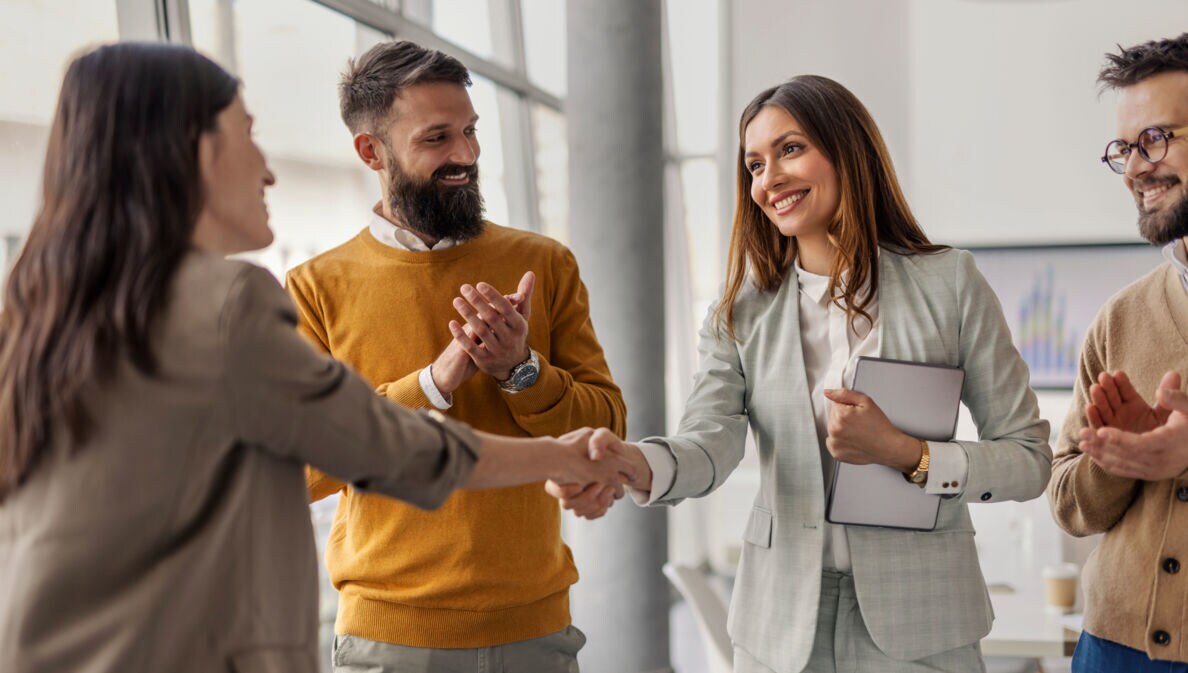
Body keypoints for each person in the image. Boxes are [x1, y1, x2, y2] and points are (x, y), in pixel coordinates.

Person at [0, 42, 633, 673]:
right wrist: (547, 446)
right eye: (247, 134)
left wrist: (523, 374)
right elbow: (375, 447)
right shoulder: (242, 300)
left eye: (469, 131)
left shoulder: (39, 309)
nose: (269, 172)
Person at [554, 75, 1052, 673]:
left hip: (924, 620)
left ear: (848, 150)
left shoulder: (949, 285)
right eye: (754, 165)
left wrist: (908, 454)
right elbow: (709, 443)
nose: (769, 179)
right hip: (780, 626)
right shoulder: (739, 312)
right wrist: (634, 463)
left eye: (790, 149)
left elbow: (1028, 458)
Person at [284, 40, 626, 672]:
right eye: (437, 138)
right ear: (371, 152)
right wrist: (432, 385)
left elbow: (607, 429)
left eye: (470, 131)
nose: (466, 155)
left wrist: (521, 372)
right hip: (389, 637)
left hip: (535, 628)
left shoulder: (545, 263)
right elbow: (294, 471)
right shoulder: (315, 287)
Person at [1047, 32, 1188, 673]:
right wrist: (1118, 459)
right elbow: (1066, 502)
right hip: (1111, 650)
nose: (1134, 169)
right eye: (1125, 149)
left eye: (1155, 139)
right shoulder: (1120, 317)